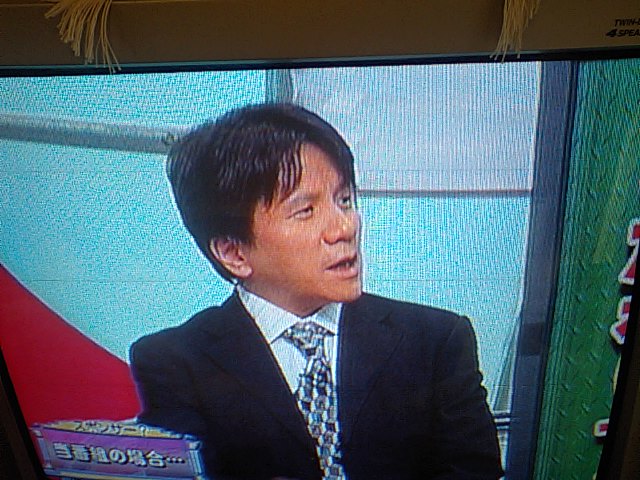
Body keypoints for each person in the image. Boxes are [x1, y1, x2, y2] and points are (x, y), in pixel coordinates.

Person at [130, 103, 503, 480]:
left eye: (344, 200)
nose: (344, 228)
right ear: (234, 253)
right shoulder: (174, 363)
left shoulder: (436, 341)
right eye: (305, 211)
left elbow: (475, 472)